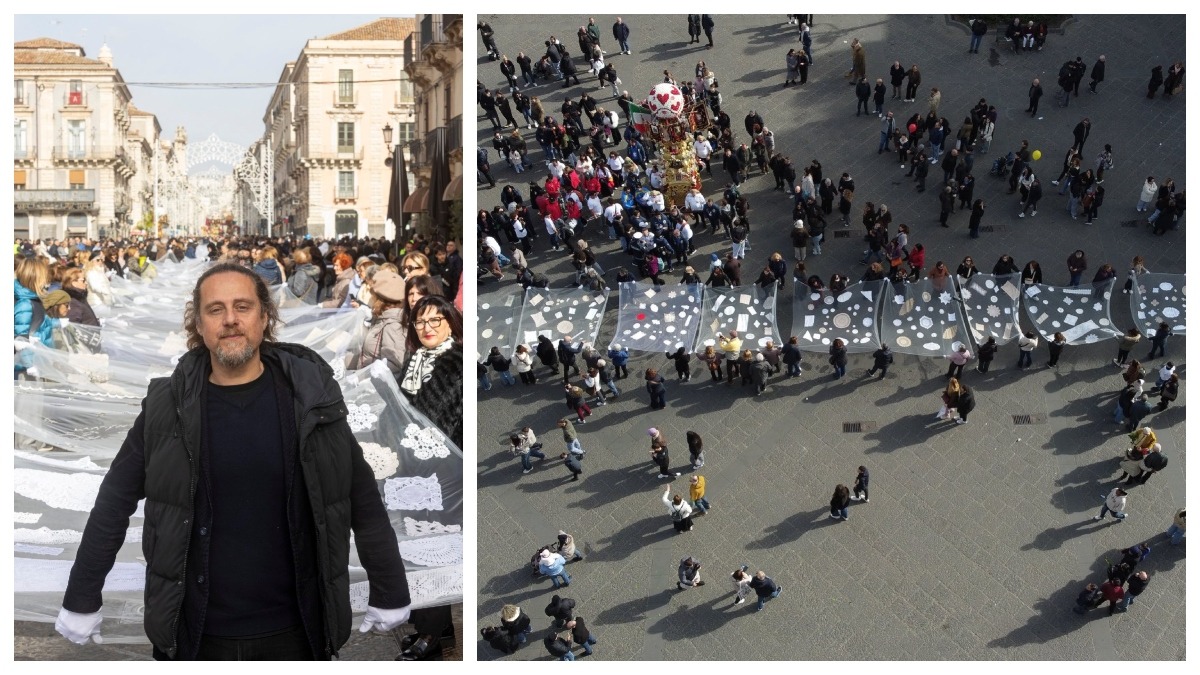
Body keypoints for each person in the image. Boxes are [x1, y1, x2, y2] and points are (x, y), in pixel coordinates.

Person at [54, 263, 412, 660]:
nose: (230, 319)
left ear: (264, 316)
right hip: (192, 634)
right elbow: (114, 501)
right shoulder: (166, 407)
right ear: (198, 324)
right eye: (215, 309)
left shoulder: (311, 399)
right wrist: (82, 595)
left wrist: (390, 588)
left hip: (297, 632)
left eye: (242, 306)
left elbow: (360, 494)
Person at [399, 296, 463, 447]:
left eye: (435, 320)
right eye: (420, 322)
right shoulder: (413, 360)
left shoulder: (457, 363)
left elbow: (437, 422)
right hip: (407, 444)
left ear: (450, 323)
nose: (427, 328)